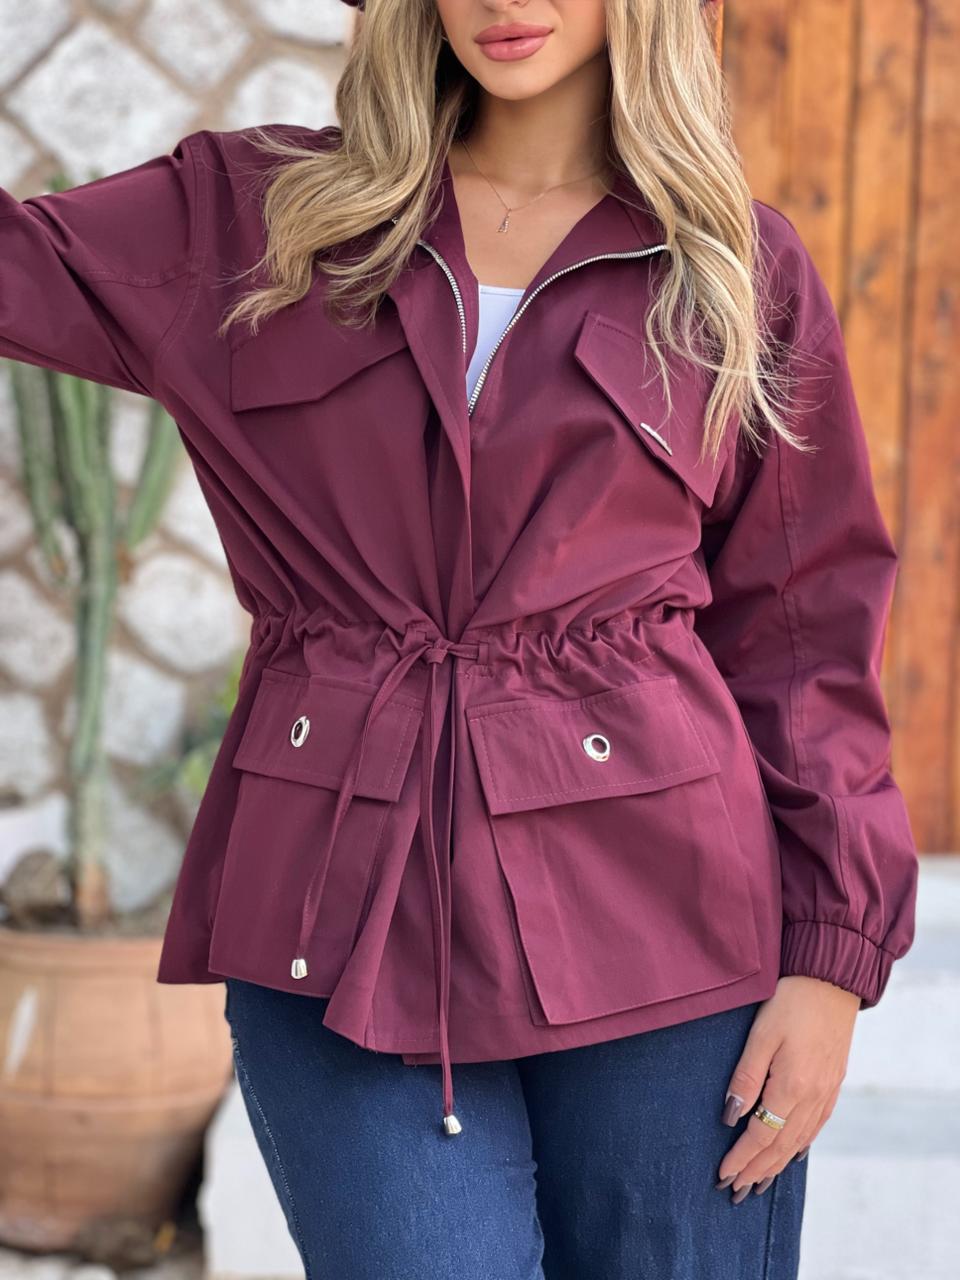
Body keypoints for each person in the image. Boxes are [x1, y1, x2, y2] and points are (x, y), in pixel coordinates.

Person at [1, 1, 919, 1276]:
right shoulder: (254, 221)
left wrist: (831, 959)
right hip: (336, 918)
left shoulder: (732, 268)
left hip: (671, 925)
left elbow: (804, 632)